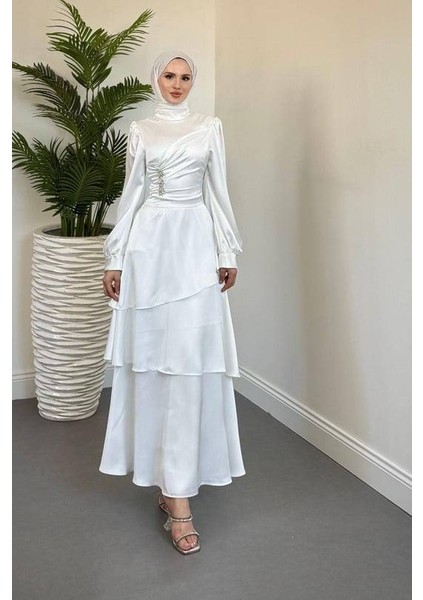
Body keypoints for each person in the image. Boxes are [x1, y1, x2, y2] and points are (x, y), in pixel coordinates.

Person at [99, 51, 246, 555]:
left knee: (188, 363)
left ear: (192, 82)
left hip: (195, 244)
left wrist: (226, 250)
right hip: (150, 247)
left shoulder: (210, 127)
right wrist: (116, 258)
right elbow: (132, 194)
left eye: (185, 77)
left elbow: (218, 192)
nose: (177, 84)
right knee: (153, 363)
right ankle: (169, 486)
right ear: (156, 79)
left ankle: (178, 490)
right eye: (169, 75)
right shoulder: (141, 130)